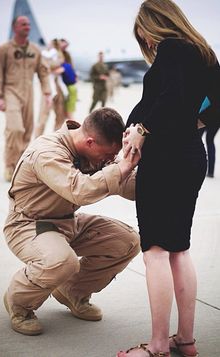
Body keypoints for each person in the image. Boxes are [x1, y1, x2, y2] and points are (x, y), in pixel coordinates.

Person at [117, 1, 220, 356]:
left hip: (165, 159)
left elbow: (167, 96)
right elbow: (215, 104)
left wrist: (143, 130)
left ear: (152, 24)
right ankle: (186, 340)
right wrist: (191, 125)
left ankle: (158, 345)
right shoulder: (203, 51)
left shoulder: (172, 48)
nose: (144, 42)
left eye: (142, 34)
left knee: (156, 252)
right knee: (179, 250)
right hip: (190, 154)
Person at [3, 107, 141, 336]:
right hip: (28, 225)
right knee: (62, 261)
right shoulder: (47, 152)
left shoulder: (94, 150)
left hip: (67, 222)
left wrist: (144, 168)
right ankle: (19, 302)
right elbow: (80, 191)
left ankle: (71, 291)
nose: (109, 160)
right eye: (107, 155)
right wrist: (120, 168)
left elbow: (126, 183)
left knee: (126, 241)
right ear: (89, 142)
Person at [0, 16, 51, 181]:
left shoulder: (35, 50)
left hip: (28, 93)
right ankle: (10, 166)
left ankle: (20, 165)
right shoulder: (4, 49)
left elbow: (43, 72)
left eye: (29, 24)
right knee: (15, 129)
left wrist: (47, 92)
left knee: (26, 131)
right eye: (23, 24)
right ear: (14, 27)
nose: (27, 27)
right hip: (10, 92)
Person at [35, 39, 68, 138]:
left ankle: (56, 140)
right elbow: (47, 66)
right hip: (48, 88)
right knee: (43, 117)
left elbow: (62, 66)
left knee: (60, 116)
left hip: (59, 88)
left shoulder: (61, 54)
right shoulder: (45, 55)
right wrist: (58, 65)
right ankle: (36, 141)